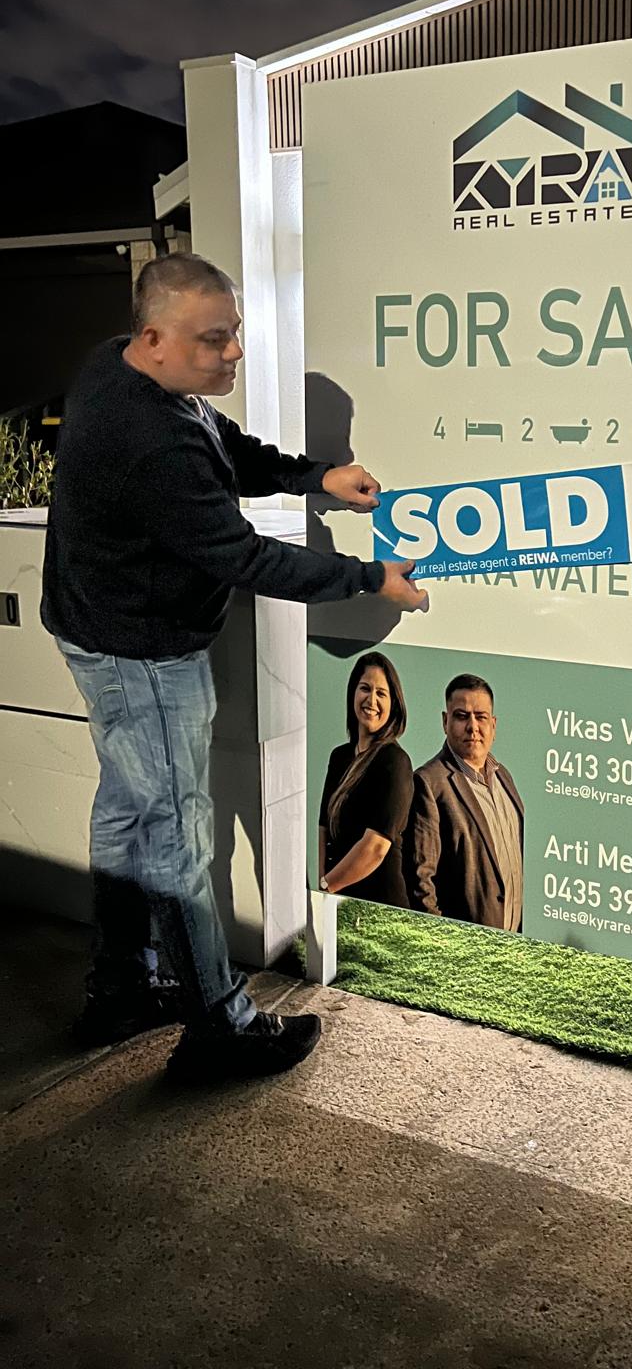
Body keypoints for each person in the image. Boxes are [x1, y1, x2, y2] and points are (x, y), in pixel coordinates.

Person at [42, 253, 427, 1083]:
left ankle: (120, 990)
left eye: (235, 332)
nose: (235, 352)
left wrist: (315, 478)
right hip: (142, 654)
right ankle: (219, 1026)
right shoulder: (148, 441)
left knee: (128, 818)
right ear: (155, 337)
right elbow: (245, 557)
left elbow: (221, 444)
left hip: (102, 634)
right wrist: (369, 578)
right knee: (174, 837)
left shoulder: (119, 365)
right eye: (214, 340)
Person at [409, 675, 524, 929]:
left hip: (515, 940)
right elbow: (421, 881)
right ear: (445, 721)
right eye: (462, 716)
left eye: (481, 717)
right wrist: (443, 940)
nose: (473, 726)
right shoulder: (429, 783)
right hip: (465, 944)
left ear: (493, 725)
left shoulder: (503, 776)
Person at [318, 653, 414, 907]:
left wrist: (327, 886)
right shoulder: (339, 757)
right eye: (365, 689)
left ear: (394, 704)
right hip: (338, 897)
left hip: (380, 905)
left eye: (381, 693)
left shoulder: (395, 762)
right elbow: (323, 828)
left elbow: (376, 847)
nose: (371, 700)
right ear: (353, 693)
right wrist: (322, 887)